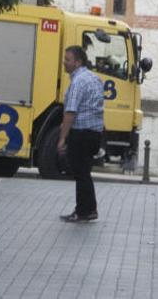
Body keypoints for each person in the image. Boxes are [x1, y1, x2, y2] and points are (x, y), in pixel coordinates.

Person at [58, 45, 104, 223]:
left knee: (80, 173)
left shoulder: (78, 82)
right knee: (84, 171)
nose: (64, 62)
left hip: (82, 133)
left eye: (67, 59)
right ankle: (88, 209)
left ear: (78, 62)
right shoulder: (94, 78)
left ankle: (83, 211)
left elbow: (71, 111)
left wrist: (62, 137)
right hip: (94, 132)